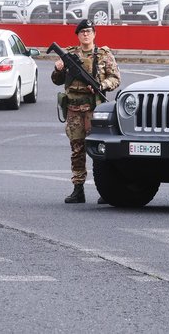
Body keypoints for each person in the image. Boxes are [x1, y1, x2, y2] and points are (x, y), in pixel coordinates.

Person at [51, 19, 120, 204]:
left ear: (94, 34)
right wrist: (57, 69)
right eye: (82, 32)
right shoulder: (70, 54)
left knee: (100, 150)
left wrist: (101, 85)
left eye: (89, 31)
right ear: (78, 35)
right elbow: (57, 80)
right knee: (77, 150)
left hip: (94, 109)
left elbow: (115, 78)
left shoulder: (104, 55)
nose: (86, 35)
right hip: (74, 109)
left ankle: (107, 190)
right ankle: (78, 189)